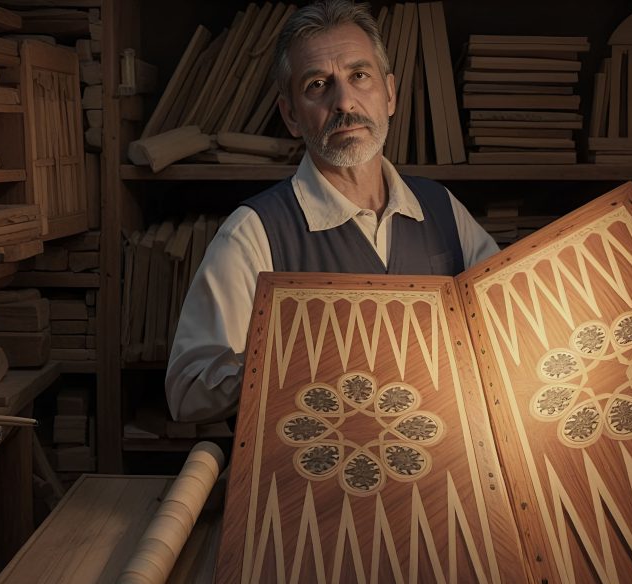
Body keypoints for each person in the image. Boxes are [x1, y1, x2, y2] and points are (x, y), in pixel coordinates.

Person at [165, 0, 499, 424]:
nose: (344, 102)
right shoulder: (254, 233)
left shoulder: (443, 209)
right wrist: (302, 357)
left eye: (359, 76)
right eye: (318, 85)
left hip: (440, 470)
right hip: (319, 481)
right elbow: (187, 391)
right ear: (290, 115)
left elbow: (500, 328)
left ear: (390, 94)